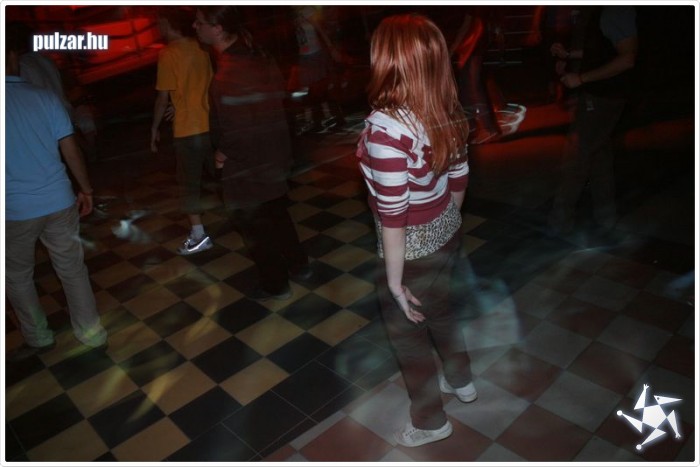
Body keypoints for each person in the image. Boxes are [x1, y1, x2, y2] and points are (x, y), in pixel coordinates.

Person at [356, 14, 476, 447]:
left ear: (387, 60)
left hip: (408, 250)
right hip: (447, 230)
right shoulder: (447, 110)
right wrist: (446, 225)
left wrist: (394, 282)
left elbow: (394, 214)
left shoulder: (385, 130)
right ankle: (461, 380)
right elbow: (459, 178)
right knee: (441, 310)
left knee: (408, 337)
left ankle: (430, 422)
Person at [5, 23, 108, 361]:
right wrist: (86, 189)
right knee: (72, 270)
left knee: (18, 276)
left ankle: (38, 337)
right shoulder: (44, 97)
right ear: (14, 58)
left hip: (14, 209)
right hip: (59, 200)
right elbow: (70, 149)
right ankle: (91, 333)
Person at [194, 6, 311, 300]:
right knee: (275, 213)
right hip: (273, 153)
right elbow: (277, 101)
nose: (195, 26)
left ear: (217, 28)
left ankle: (275, 283)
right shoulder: (255, 55)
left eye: (199, 22)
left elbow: (238, 128)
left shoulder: (231, 71)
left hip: (248, 163)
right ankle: (299, 265)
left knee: (253, 225)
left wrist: (222, 155)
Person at [548, 6, 637, 237]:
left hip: (603, 97)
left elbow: (627, 58)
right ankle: (606, 218)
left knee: (575, 159)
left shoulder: (615, 11)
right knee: (599, 157)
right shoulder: (603, 11)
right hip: (600, 95)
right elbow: (602, 48)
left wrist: (581, 78)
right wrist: (570, 54)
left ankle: (559, 225)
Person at [151, 6, 215, 255]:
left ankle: (199, 235)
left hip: (188, 129)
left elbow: (162, 99)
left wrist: (154, 128)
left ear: (168, 23)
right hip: (211, 123)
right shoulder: (202, 47)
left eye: (159, 22)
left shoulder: (168, 54)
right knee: (220, 176)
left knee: (189, 184)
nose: (157, 27)